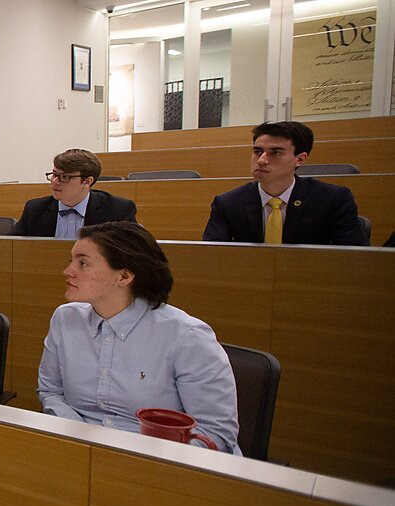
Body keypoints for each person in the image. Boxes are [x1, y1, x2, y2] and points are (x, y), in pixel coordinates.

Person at [37, 221, 240, 454]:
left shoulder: (187, 337)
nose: (68, 271)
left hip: (160, 462)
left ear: (124, 276)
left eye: (82, 263)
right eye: (71, 260)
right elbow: (51, 391)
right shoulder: (65, 319)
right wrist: (83, 439)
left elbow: (216, 433)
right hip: (79, 450)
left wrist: (141, 457)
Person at [202, 121, 365, 245]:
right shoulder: (227, 203)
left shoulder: (334, 200)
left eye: (276, 153)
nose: (262, 160)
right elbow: (212, 256)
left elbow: (351, 259)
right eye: (257, 151)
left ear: (300, 159)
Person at [10, 149, 138, 238]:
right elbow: (13, 248)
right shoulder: (35, 209)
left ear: (87, 182)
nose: (55, 181)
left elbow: (133, 252)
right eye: (54, 174)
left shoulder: (118, 210)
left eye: (65, 177)